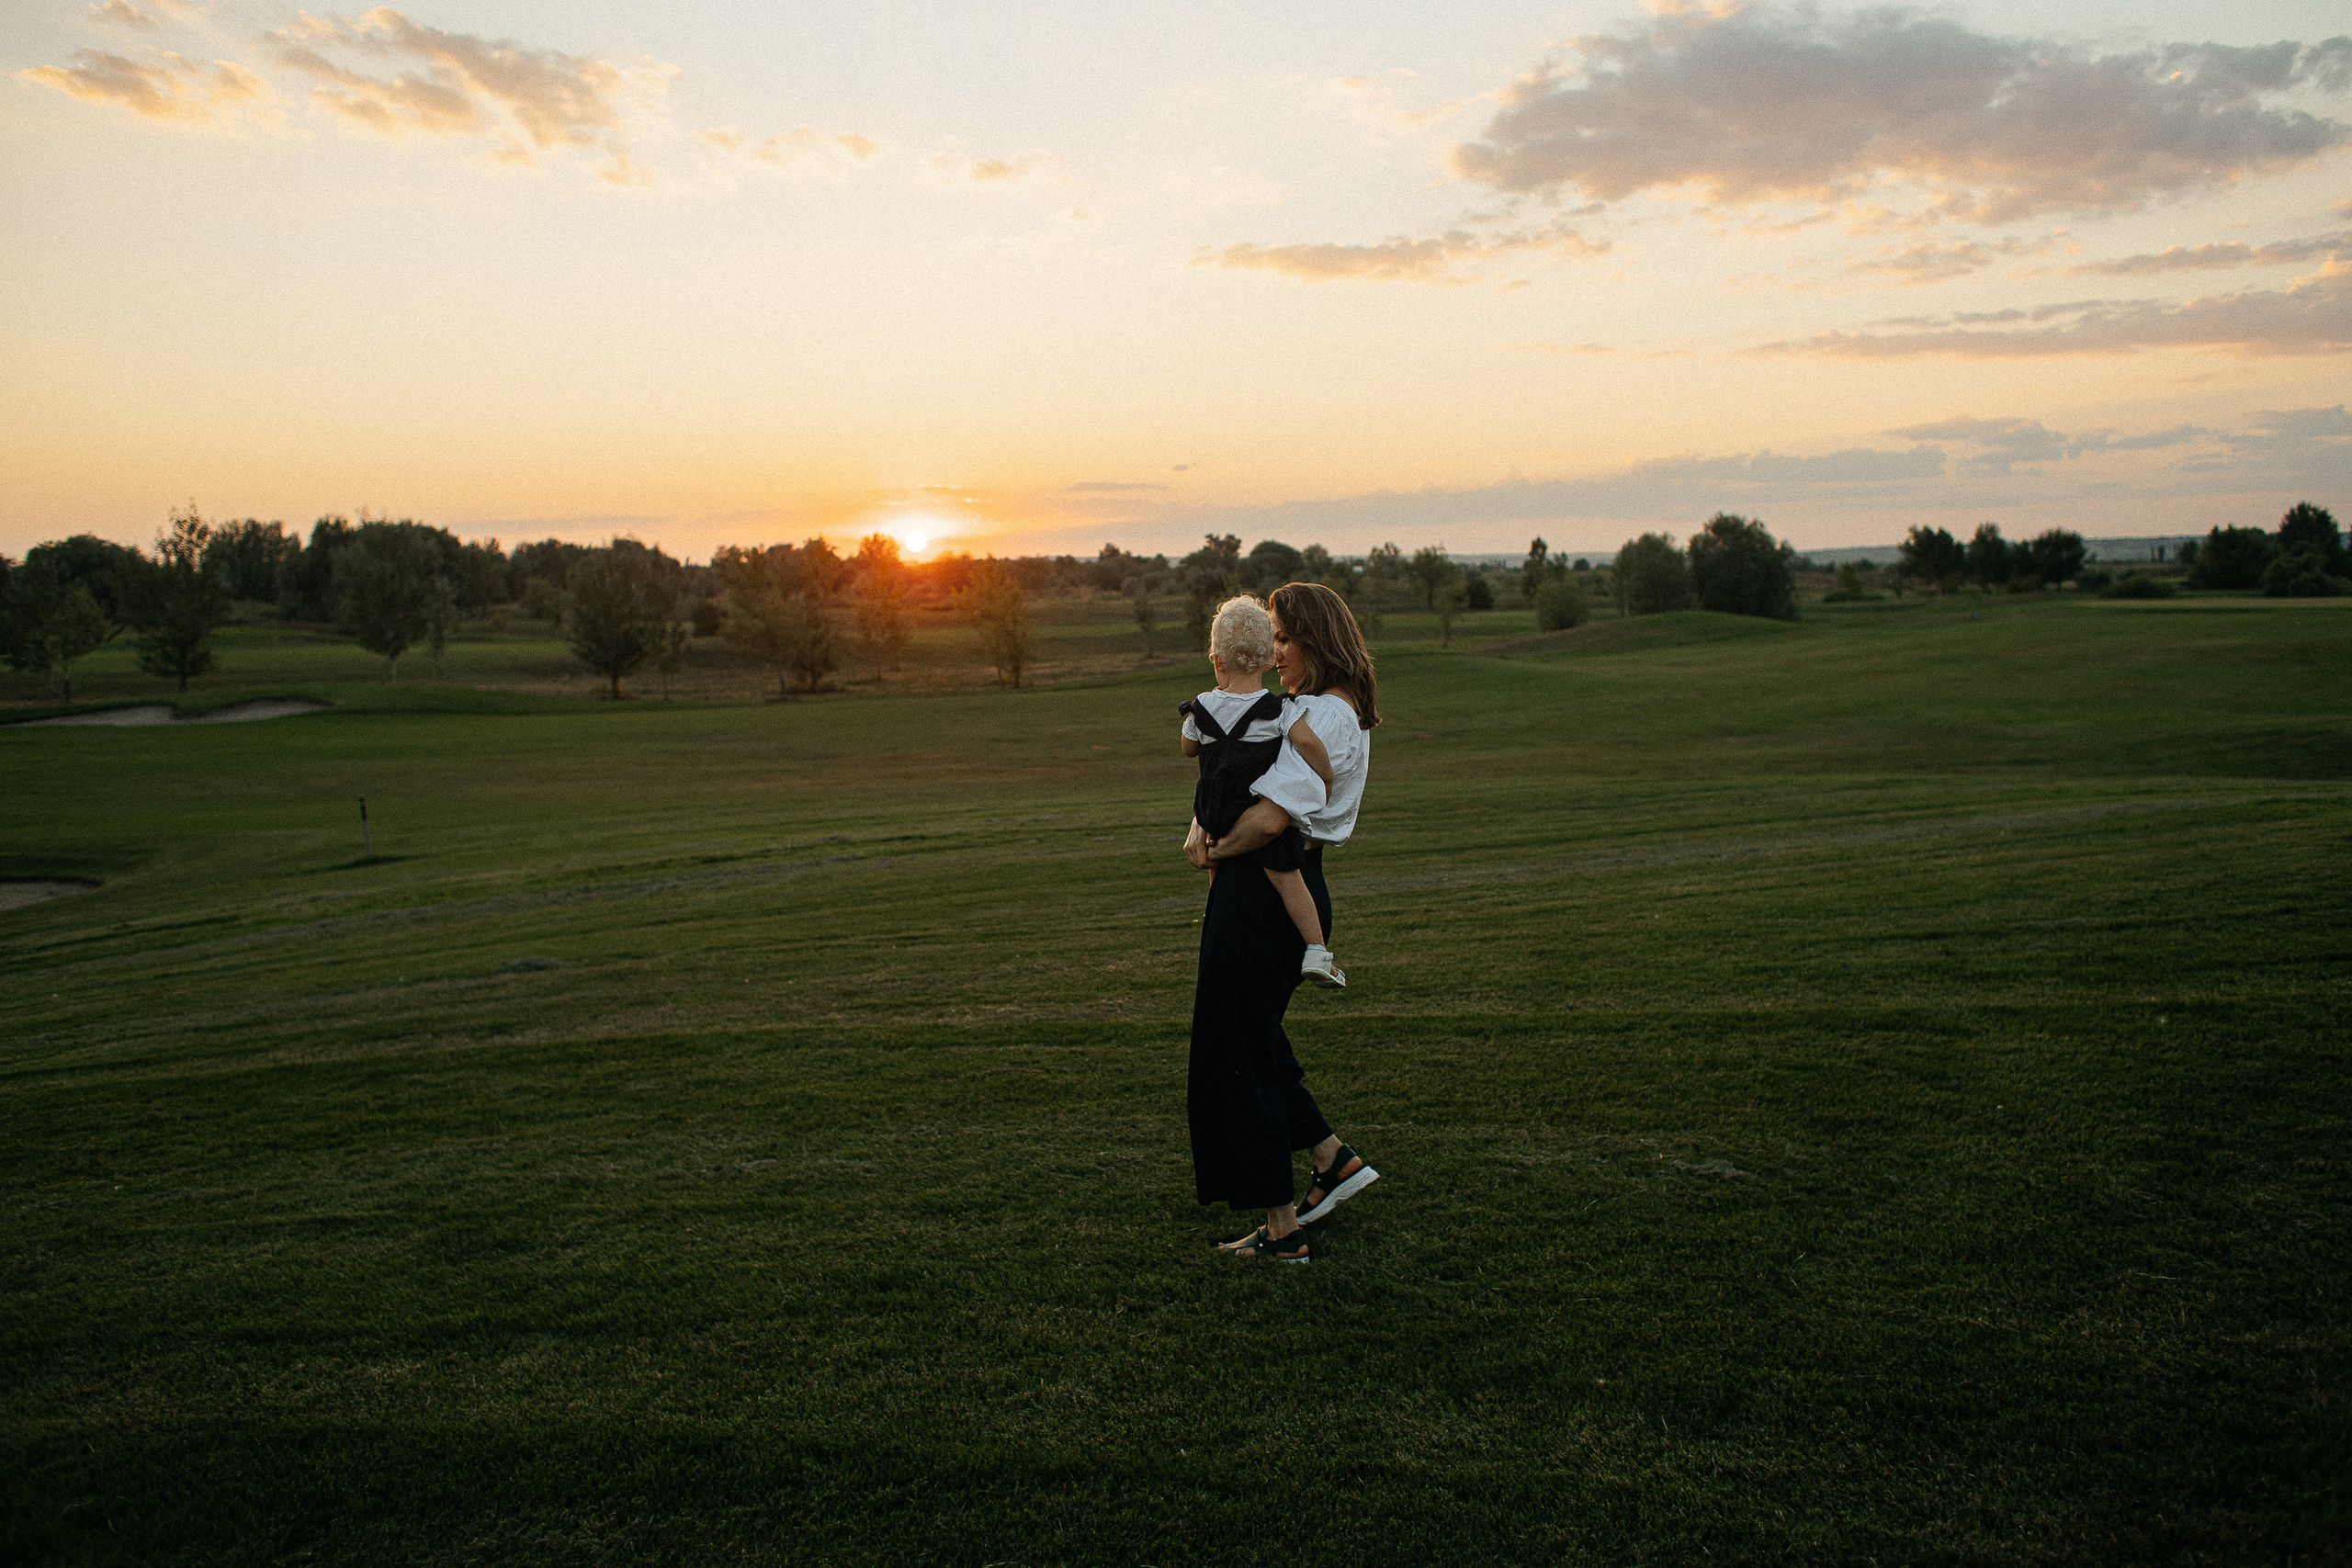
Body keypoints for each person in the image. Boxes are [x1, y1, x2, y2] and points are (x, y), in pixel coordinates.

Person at [1183, 581, 1382, 1263]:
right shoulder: (1310, 710)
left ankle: (1282, 1229)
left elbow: (1270, 816)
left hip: (1267, 891)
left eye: (1286, 638)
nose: (1276, 651)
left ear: (1316, 640)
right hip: (1274, 888)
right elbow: (1235, 768)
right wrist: (1203, 822)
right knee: (1254, 1041)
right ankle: (1332, 1160)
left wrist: (1212, 845)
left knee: (1237, 1052)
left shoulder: (1324, 717)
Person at [1178, 596, 1344, 988]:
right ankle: (1317, 950)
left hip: (1215, 812)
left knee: (1216, 866)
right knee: (1287, 878)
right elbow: (1309, 744)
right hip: (1255, 809)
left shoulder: (1201, 709)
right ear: (1270, 659)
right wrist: (1326, 776)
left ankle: (1218, 919)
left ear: (1216, 660)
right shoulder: (1278, 710)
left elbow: (1188, 748)